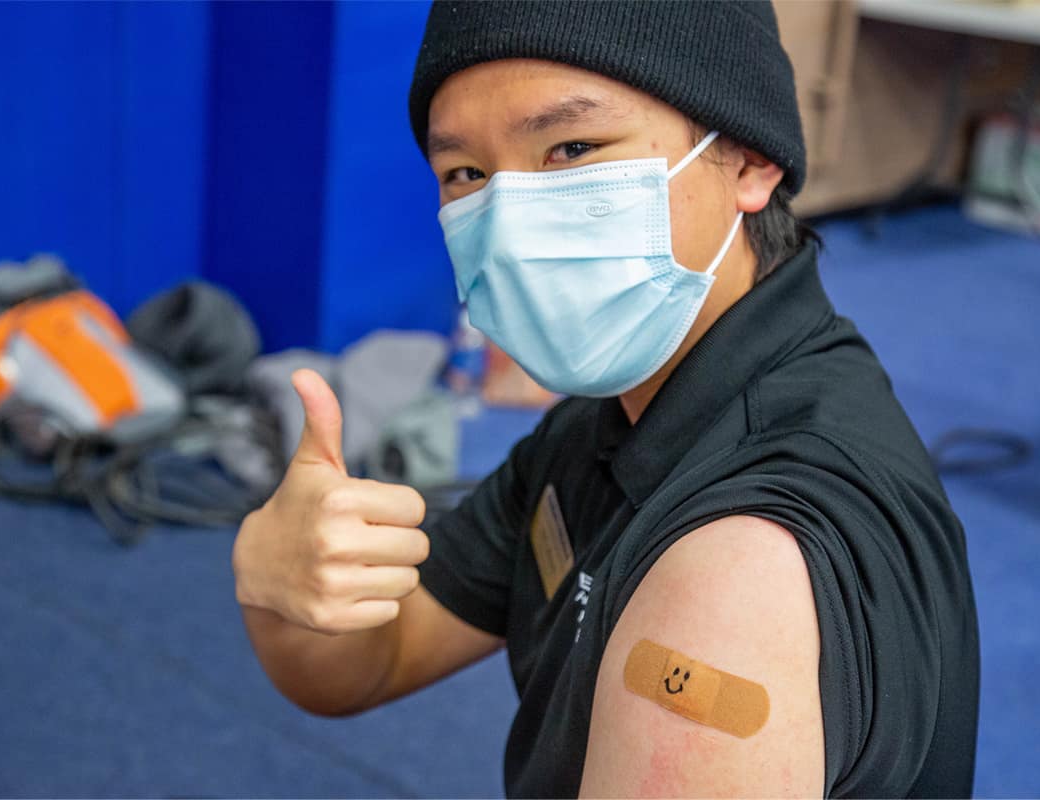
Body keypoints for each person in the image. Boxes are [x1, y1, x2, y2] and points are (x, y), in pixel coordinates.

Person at [231, 2, 980, 797]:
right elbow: (367, 665)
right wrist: (278, 580)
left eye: (574, 148)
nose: (511, 222)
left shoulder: (739, 571)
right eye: (467, 175)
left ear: (751, 161)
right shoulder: (608, 419)